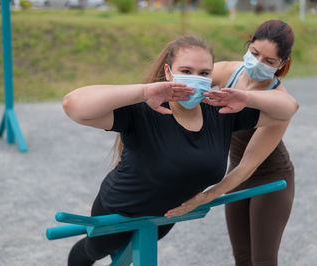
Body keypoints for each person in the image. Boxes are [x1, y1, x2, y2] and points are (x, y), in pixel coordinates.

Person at [62, 35, 298, 266]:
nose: (195, 79)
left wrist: (246, 97)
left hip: (163, 218)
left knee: (128, 257)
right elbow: (74, 105)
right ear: (168, 72)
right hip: (117, 211)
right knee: (92, 251)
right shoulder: (145, 110)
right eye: (186, 71)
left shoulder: (221, 113)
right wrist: (143, 92)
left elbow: (288, 108)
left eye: (204, 73)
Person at [166, 21, 296, 266]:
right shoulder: (227, 71)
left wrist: (207, 196)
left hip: (270, 178)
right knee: (242, 257)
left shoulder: (277, 101)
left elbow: (249, 164)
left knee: (263, 260)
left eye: (269, 61)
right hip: (235, 172)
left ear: (282, 64)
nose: (257, 64)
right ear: (248, 46)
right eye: (255, 54)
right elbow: (183, 84)